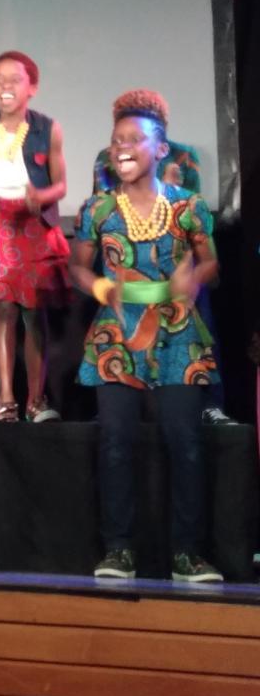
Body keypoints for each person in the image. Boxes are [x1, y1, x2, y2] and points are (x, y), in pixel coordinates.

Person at [70, 90, 222, 583]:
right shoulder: (98, 209)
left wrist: (193, 280)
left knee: (186, 442)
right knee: (115, 442)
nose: (123, 147)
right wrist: (100, 286)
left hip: (177, 332)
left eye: (135, 139)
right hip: (117, 333)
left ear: (160, 149)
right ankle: (118, 550)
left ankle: (187, 554)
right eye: (117, 140)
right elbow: (77, 267)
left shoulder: (187, 207)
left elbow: (212, 264)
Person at [0, 51, 70, 422]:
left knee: (34, 312)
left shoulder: (47, 129)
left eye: (14, 80)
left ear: (32, 86)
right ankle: (5, 399)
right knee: (3, 309)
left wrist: (41, 196)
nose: (5, 87)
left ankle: (36, 400)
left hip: (32, 225)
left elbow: (60, 185)